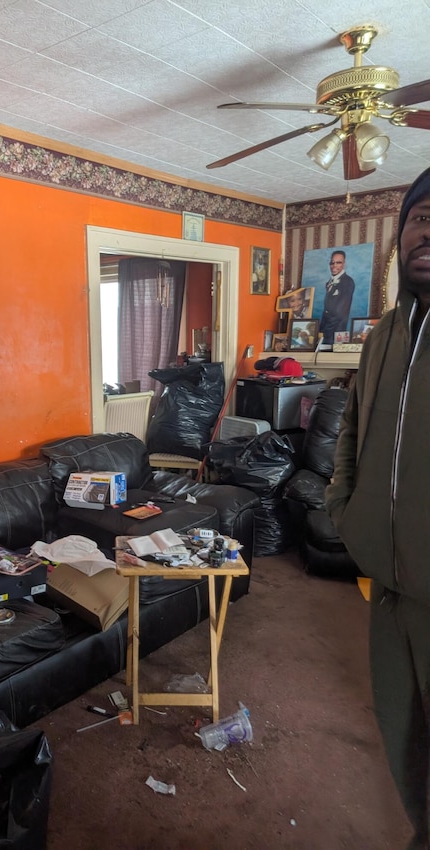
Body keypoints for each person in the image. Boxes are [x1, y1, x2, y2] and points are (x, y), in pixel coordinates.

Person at [326, 165, 430, 850]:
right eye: (419, 216)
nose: (428, 229)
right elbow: (354, 432)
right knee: (403, 730)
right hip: (387, 584)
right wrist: (342, 509)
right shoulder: (384, 335)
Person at [319, 250, 355, 344]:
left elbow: (339, 313)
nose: (334, 266)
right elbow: (327, 309)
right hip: (325, 332)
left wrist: (325, 332)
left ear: (344, 263)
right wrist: (319, 331)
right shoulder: (329, 282)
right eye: (332, 263)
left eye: (338, 262)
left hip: (335, 333)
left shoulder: (347, 282)